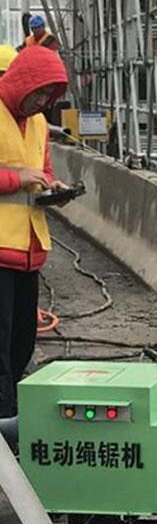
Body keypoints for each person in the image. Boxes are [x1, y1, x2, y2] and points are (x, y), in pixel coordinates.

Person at [0, 46, 69, 418]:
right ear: (22, 82)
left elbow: (40, 169)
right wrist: (16, 179)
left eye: (49, 95)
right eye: (38, 92)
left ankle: (11, 418)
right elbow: (21, 174)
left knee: (21, 343)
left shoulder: (40, 122)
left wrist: (50, 188)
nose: (42, 101)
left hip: (28, 249)